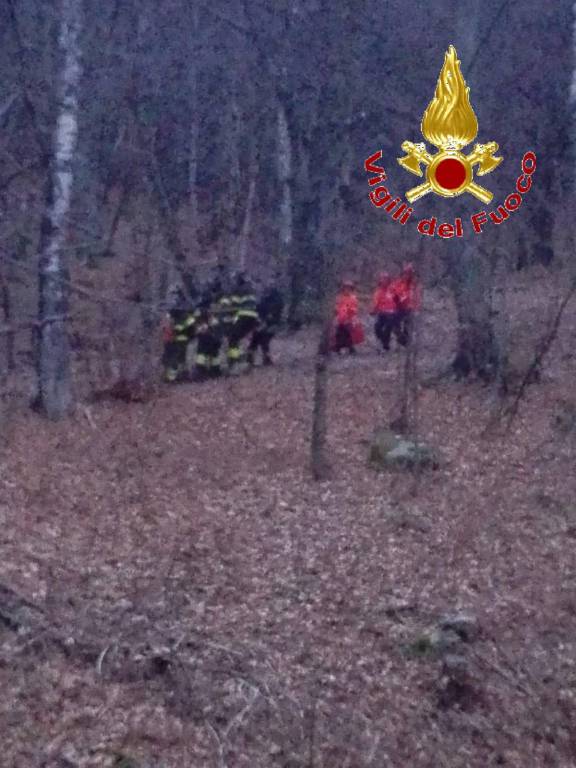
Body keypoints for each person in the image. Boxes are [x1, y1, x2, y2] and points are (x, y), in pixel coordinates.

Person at [247, 275, 284, 366]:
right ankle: (250, 359)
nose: (269, 285)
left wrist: (266, 321)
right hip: (261, 322)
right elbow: (258, 309)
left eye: (272, 283)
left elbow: (275, 311)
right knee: (255, 339)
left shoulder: (277, 298)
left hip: (272, 323)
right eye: (268, 283)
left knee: (264, 339)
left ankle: (266, 359)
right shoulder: (264, 298)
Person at [227, 272, 260, 370]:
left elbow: (233, 305)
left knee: (233, 338)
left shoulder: (237, 290)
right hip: (253, 317)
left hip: (243, 315)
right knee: (244, 337)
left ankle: (234, 362)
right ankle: (247, 359)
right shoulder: (251, 289)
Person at [162, 306, 196, 383]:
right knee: (175, 360)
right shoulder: (181, 317)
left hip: (175, 341)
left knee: (177, 359)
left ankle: (176, 377)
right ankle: (172, 378)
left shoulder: (170, 317)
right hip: (175, 341)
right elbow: (178, 328)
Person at [193, 298, 222, 381]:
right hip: (213, 337)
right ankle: (215, 371)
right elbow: (215, 324)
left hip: (206, 336)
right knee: (214, 354)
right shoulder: (209, 312)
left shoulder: (201, 311)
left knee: (202, 353)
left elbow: (199, 324)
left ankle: (200, 371)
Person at [392, 262, 421, 346]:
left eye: (409, 273)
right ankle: (401, 338)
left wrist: (416, 308)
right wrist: (397, 297)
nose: (407, 275)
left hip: (410, 308)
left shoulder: (415, 285)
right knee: (394, 323)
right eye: (406, 273)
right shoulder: (399, 283)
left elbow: (417, 297)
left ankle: (406, 343)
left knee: (407, 326)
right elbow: (393, 292)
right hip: (399, 307)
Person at [332, 280, 363, 355]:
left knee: (349, 332)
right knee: (338, 333)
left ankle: (350, 347)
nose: (347, 290)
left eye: (349, 289)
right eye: (345, 288)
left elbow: (354, 309)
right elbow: (336, 308)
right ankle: (338, 347)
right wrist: (337, 312)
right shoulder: (339, 298)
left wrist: (350, 314)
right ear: (342, 289)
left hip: (349, 318)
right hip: (340, 318)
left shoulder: (353, 298)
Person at [370, 272, 399, 351]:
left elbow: (397, 300)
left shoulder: (392, 290)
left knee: (388, 327)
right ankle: (383, 342)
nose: (383, 281)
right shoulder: (378, 292)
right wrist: (373, 310)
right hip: (382, 313)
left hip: (392, 313)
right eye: (382, 279)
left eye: (385, 279)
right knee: (377, 327)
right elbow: (375, 303)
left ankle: (386, 345)